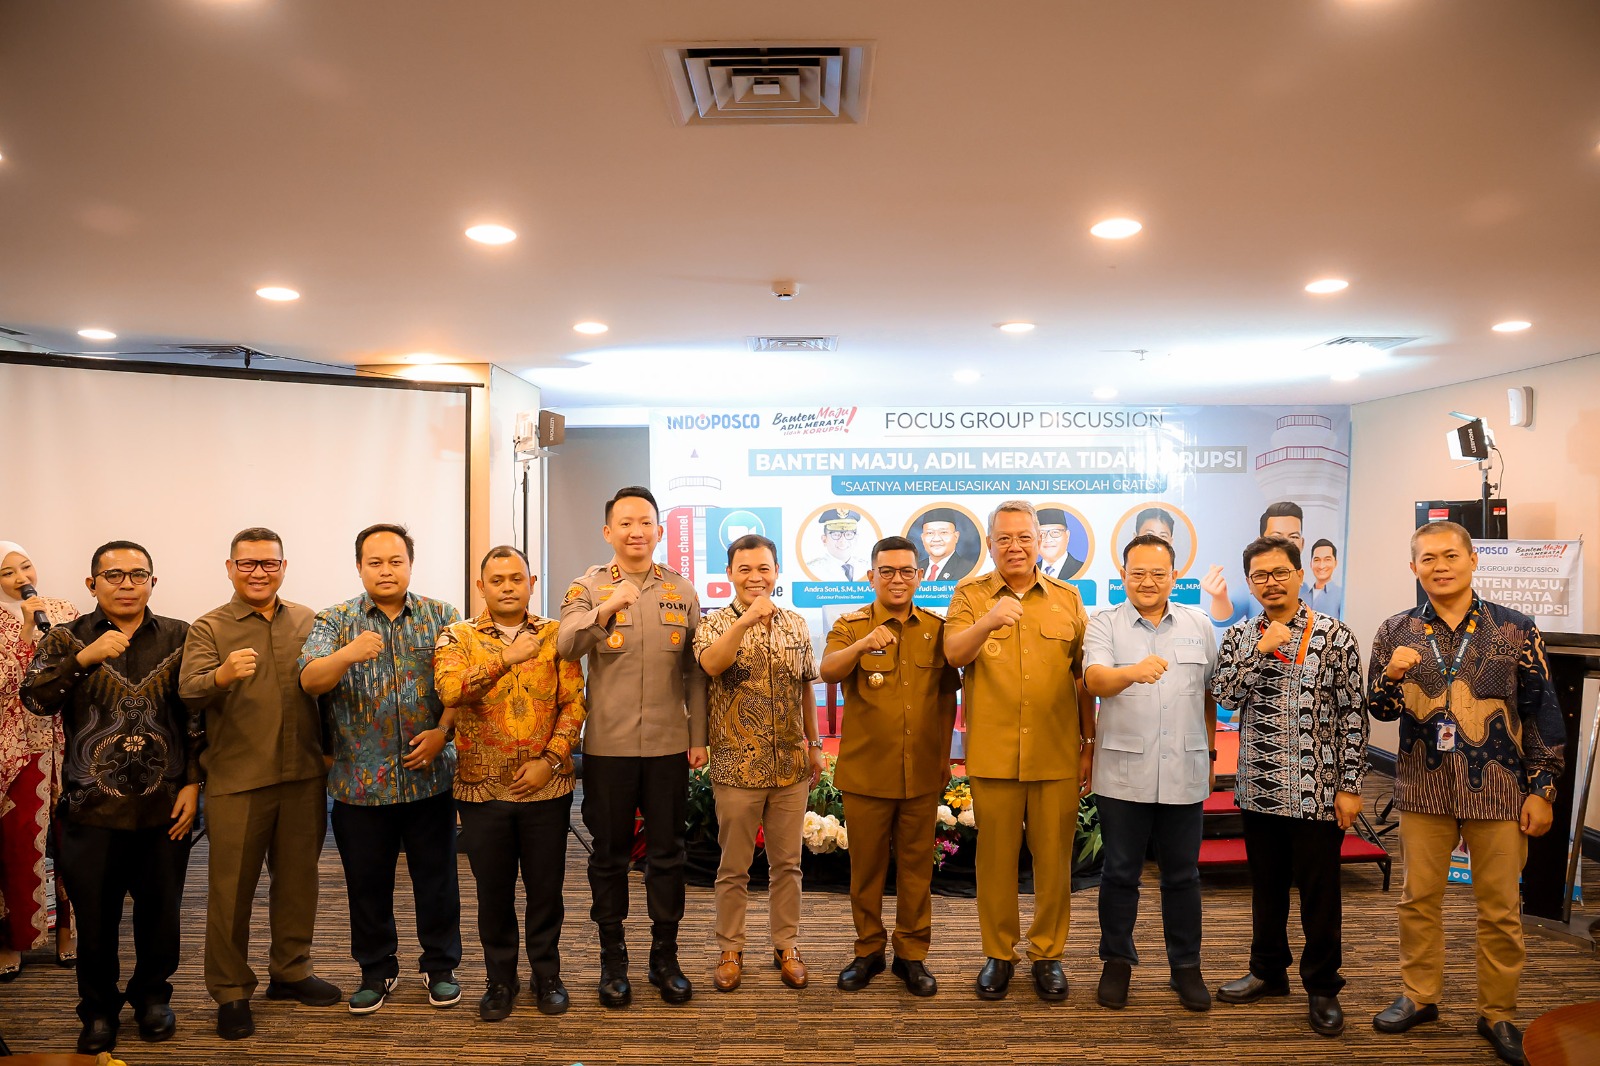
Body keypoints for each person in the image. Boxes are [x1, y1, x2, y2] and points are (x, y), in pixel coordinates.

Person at [1367, 522, 1564, 1066]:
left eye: (1451, 555)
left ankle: (1498, 1011)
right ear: (1414, 568)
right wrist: (1390, 675)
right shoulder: (1396, 630)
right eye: (1428, 558)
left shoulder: (1515, 629)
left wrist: (1543, 788)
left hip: (1499, 789)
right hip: (1423, 786)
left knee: (1500, 909)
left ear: (1473, 560)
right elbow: (1379, 708)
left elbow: (1542, 712)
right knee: (1418, 901)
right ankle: (1418, 995)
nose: (1440, 566)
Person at [22, 541, 201, 1055]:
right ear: (92, 583)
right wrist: (82, 660)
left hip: (164, 806)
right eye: (114, 574)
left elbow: (196, 717)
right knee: (96, 920)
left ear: (153, 582)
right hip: (90, 808)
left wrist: (194, 784)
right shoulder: (66, 638)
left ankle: (152, 998)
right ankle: (98, 1010)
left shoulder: (180, 636)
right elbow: (35, 699)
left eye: (137, 574)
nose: (126, 584)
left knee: (161, 915)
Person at [178, 527, 341, 1040]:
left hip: (303, 777)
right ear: (230, 568)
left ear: (283, 567)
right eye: (247, 563)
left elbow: (330, 691)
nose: (258, 572)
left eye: (269, 563)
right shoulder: (209, 627)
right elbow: (188, 692)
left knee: (298, 884)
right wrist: (222, 676)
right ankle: (230, 991)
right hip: (238, 779)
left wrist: (331, 752)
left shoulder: (309, 620)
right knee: (230, 893)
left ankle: (291, 971)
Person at [299, 524, 462, 1016]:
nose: (386, 570)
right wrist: (347, 654)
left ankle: (441, 967)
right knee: (367, 885)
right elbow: (309, 681)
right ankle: (376, 970)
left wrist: (443, 733)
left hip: (428, 778)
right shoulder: (335, 620)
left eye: (395, 561)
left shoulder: (442, 616)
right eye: (375, 562)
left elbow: (461, 687)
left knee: (437, 880)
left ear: (410, 564)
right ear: (359, 567)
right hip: (359, 786)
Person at [1209, 534, 1367, 1037]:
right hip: (1259, 787)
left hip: (1317, 789)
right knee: (1267, 888)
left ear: (1300, 575)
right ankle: (1267, 971)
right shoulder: (1240, 636)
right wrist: (1261, 650)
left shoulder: (1335, 635)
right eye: (1260, 576)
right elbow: (1225, 696)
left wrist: (1350, 784)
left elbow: (1352, 714)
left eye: (1280, 572)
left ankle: (1322, 986)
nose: (1270, 583)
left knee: (1320, 893)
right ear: (1249, 583)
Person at [558, 485, 709, 1007]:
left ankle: (665, 958)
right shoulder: (587, 587)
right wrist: (606, 609)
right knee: (609, 856)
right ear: (608, 532)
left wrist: (698, 738)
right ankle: (613, 959)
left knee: (668, 855)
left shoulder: (681, 590)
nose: (636, 531)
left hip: (668, 746)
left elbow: (694, 673)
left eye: (645, 522)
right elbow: (565, 646)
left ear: (659, 531)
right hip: (609, 747)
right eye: (625, 523)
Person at [944, 500, 1094, 1002]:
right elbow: (953, 654)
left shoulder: (1068, 598)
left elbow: (1084, 678)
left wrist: (1088, 744)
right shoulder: (969, 596)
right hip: (995, 753)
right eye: (1004, 538)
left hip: (1055, 753)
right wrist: (989, 620)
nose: (1015, 547)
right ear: (990, 545)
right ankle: (998, 953)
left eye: (1024, 537)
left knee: (1054, 862)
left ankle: (1048, 954)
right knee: (995, 862)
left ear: (1039, 542)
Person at [435, 546, 586, 1022]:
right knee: (493, 892)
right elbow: (449, 691)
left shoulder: (556, 635)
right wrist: (504, 657)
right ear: (481, 586)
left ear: (531, 583)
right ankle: (500, 979)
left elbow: (574, 703)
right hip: (482, 789)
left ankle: (547, 976)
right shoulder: (456, 636)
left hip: (547, 788)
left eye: (516, 578)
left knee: (546, 890)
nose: (507, 587)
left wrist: (551, 760)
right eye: (496, 580)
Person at [1083, 533, 1217, 1013]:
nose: (1148, 581)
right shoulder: (1104, 623)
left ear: (1174, 576)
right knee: (1120, 873)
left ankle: (1186, 967)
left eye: (1158, 573)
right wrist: (1131, 672)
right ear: (1123, 575)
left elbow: (1210, 693)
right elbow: (1093, 680)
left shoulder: (1199, 623)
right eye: (1137, 572)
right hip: (1123, 771)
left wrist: (1209, 753)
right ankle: (1116, 962)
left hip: (1185, 767)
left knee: (1183, 875)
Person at [821, 535, 959, 997]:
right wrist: (862, 645)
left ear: (919, 576)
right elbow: (828, 670)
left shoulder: (937, 629)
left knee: (917, 869)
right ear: (871, 576)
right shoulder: (851, 625)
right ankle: (868, 951)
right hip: (866, 773)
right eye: (887, 571)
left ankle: (912, 955)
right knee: (867, 871)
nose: (897, 579)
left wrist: (943, 758)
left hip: (920, 772)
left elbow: (946, 698)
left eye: (906, 571)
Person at [694, 534, 824, 993]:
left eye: (763, 568)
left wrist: (815, 744)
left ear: (776, 571)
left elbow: (806, 686)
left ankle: (786, 944)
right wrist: (745, 620)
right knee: (734, 867)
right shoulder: (712, 623)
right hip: (736, 767)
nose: (755, 577)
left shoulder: (795, 624)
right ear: (729, 573)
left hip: (789, 765)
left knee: (788, 865)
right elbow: (712, 665)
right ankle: (730, 948)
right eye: (745, 569)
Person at [0, 542, 78, 981]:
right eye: (7, 573)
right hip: (13, 751)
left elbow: (80, 671)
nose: (21, 578)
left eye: (25, 567)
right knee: (16, 843)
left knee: (71, 841)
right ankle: (11, 939)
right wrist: (27, 632)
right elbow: (6, 683)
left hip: (66, 745)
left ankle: (69, 932)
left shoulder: (63, 610)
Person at [1202, 501, 1305, 625]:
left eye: (1293, 537)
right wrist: (1219, 598)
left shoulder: (1312, 592)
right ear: (1260, 542)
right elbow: (1224, 619)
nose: (1285, 543)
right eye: (1276, 537)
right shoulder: (1256, 584)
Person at [804, 508, 872, 582]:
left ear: (856, 539)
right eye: (836, 534)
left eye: (848, 534)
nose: (843, 540)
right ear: (824, 539)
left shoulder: (867, 567)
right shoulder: (811, 570)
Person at [917, 508, 978, 582]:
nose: (936, 539)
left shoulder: (967, 569)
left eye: (943, 532)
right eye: (930, 533)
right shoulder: (915, 569)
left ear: (956, 537)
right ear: (922, 538)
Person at [1037, 507, 1086, 580]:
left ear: (1067, 535)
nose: (1048, 539)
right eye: (1042, 533)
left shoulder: (1081, 568)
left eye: (1055, 532)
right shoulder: (1028, 572)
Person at [1306, 539, 1343, 619]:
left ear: (1335, 563)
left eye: (1327, 560)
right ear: (1311, 564)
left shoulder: (1342, 595)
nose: (1321, 566)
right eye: (1317, 560)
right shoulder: (1301, 596)